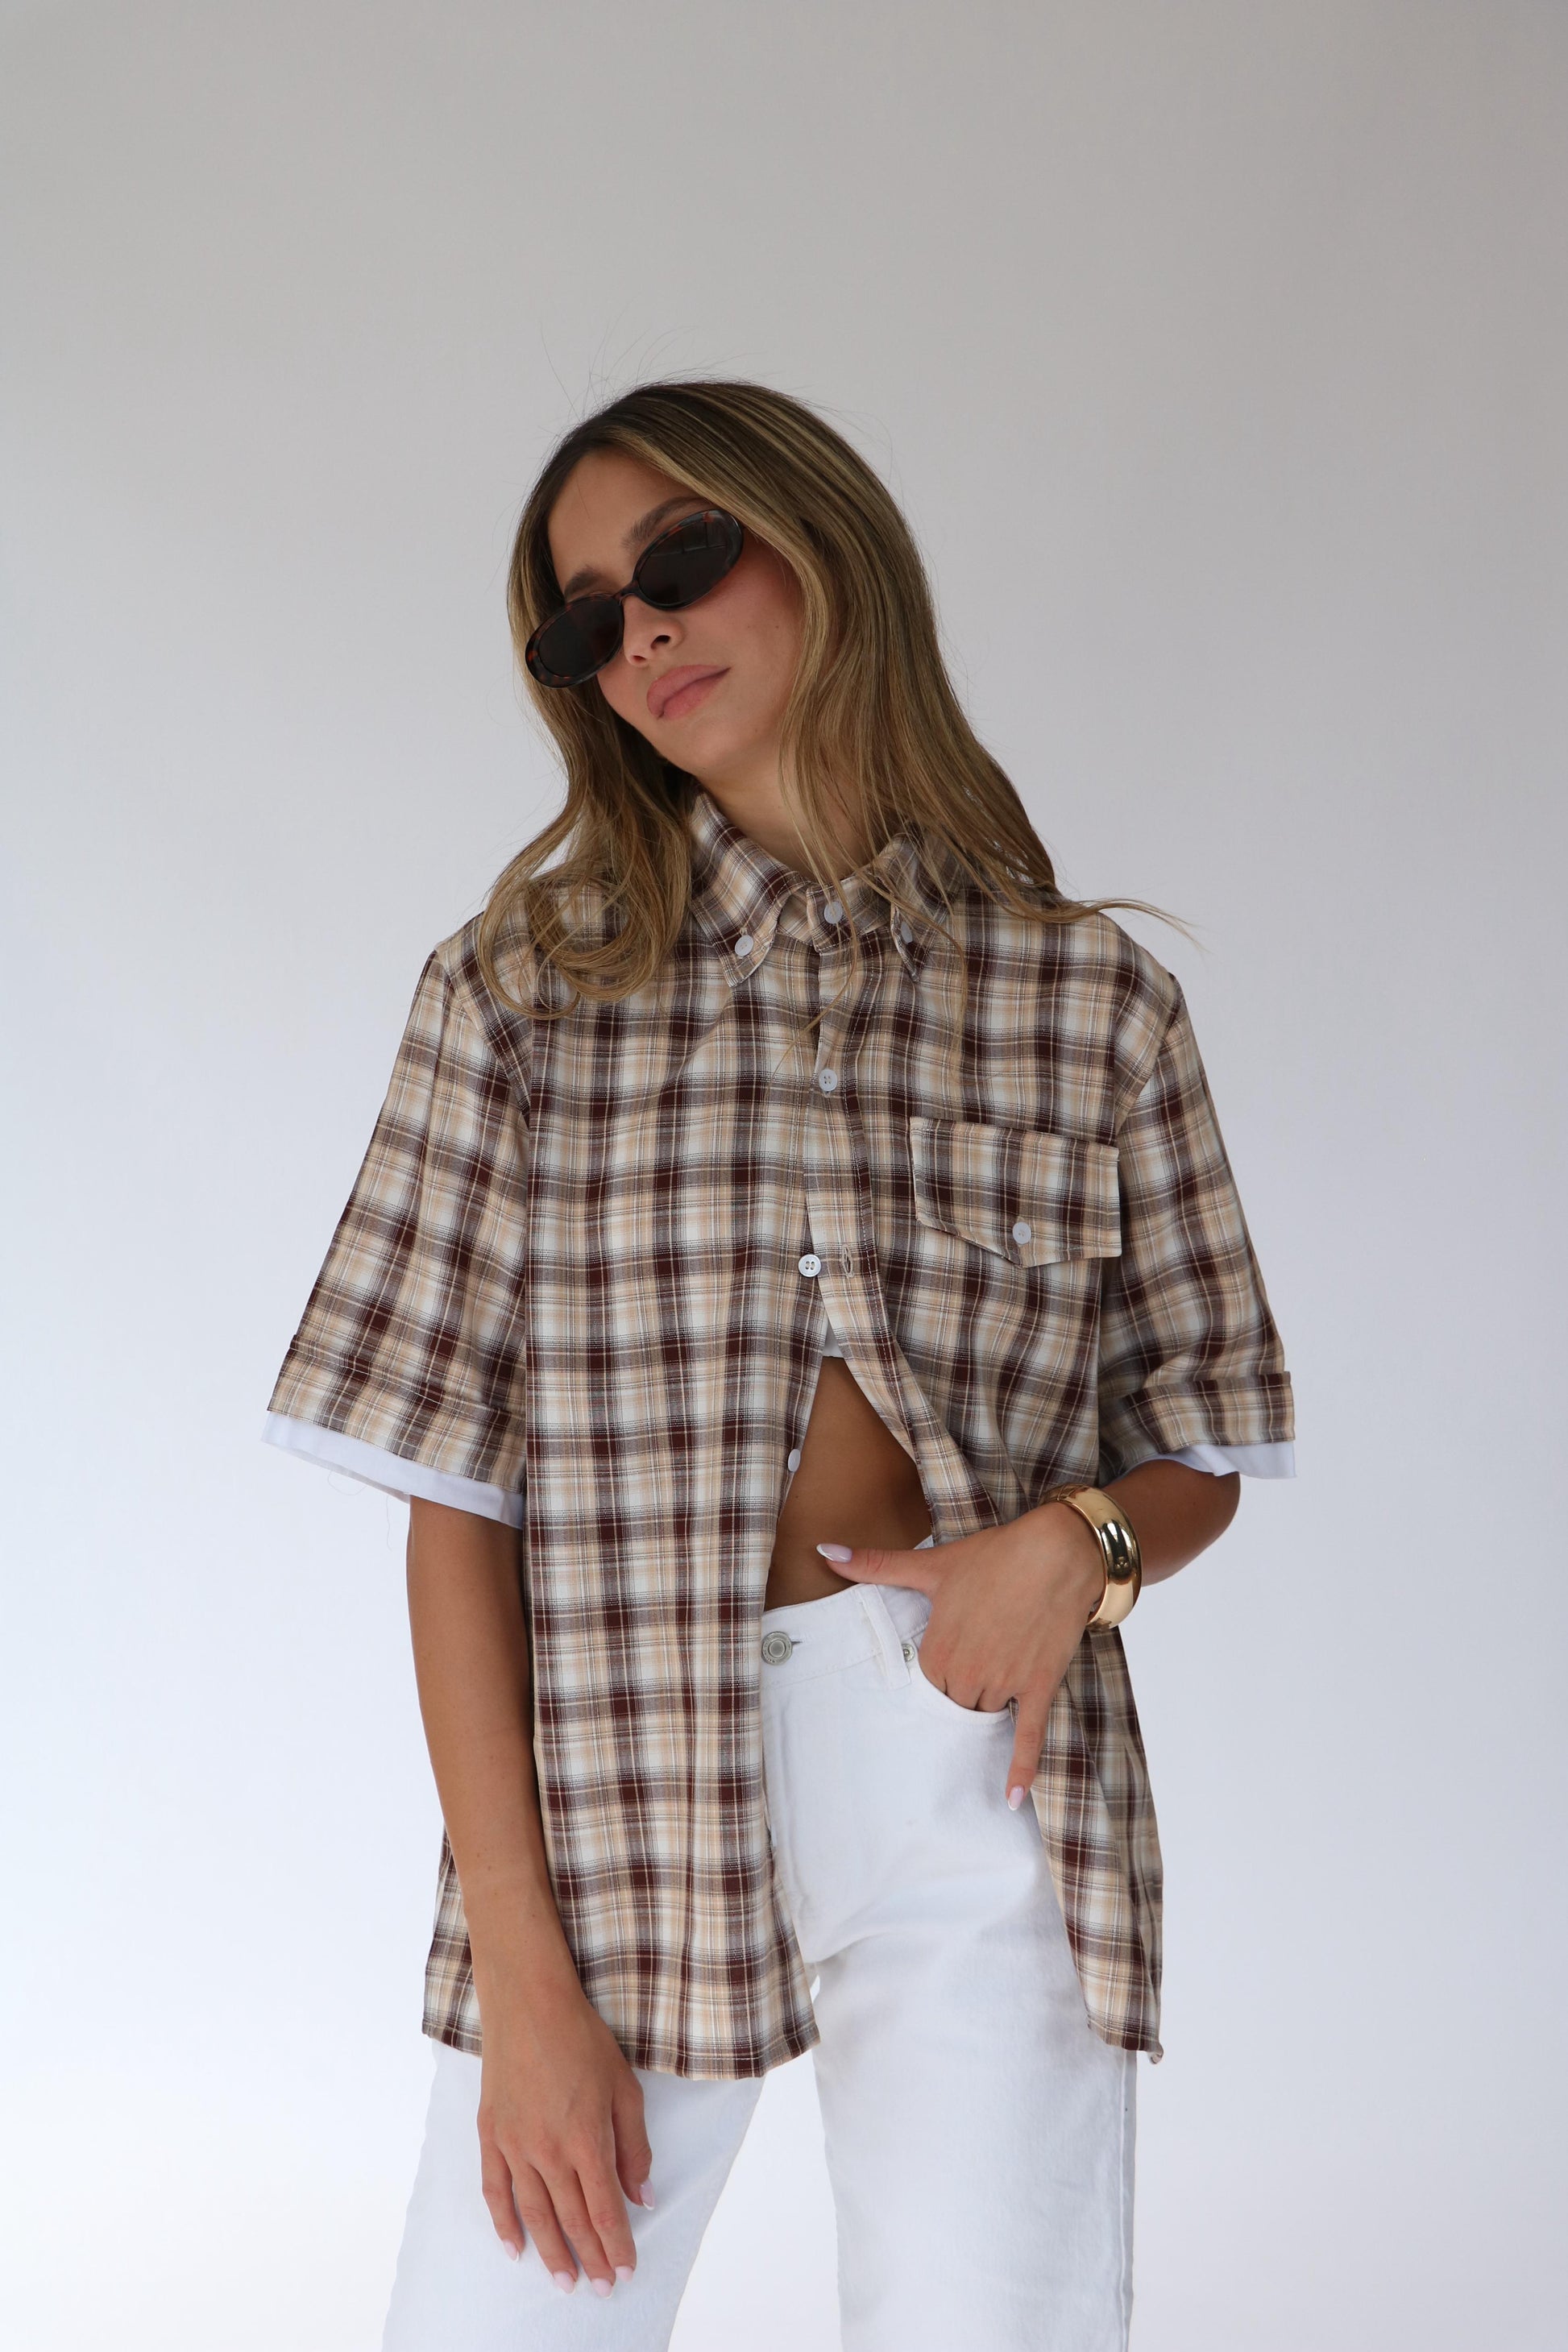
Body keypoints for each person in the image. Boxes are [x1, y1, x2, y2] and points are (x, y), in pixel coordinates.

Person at [263, 378, 1294, 2350]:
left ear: (819, 536)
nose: (641, 630)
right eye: (586, 619)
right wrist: (523, 1971)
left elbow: (1199, 1437)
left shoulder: (1092, 1003)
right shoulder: (518, 993)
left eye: (678, 556)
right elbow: (454, 1506)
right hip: (619, 1781)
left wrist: (1076, 1544)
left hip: (985, 1776)